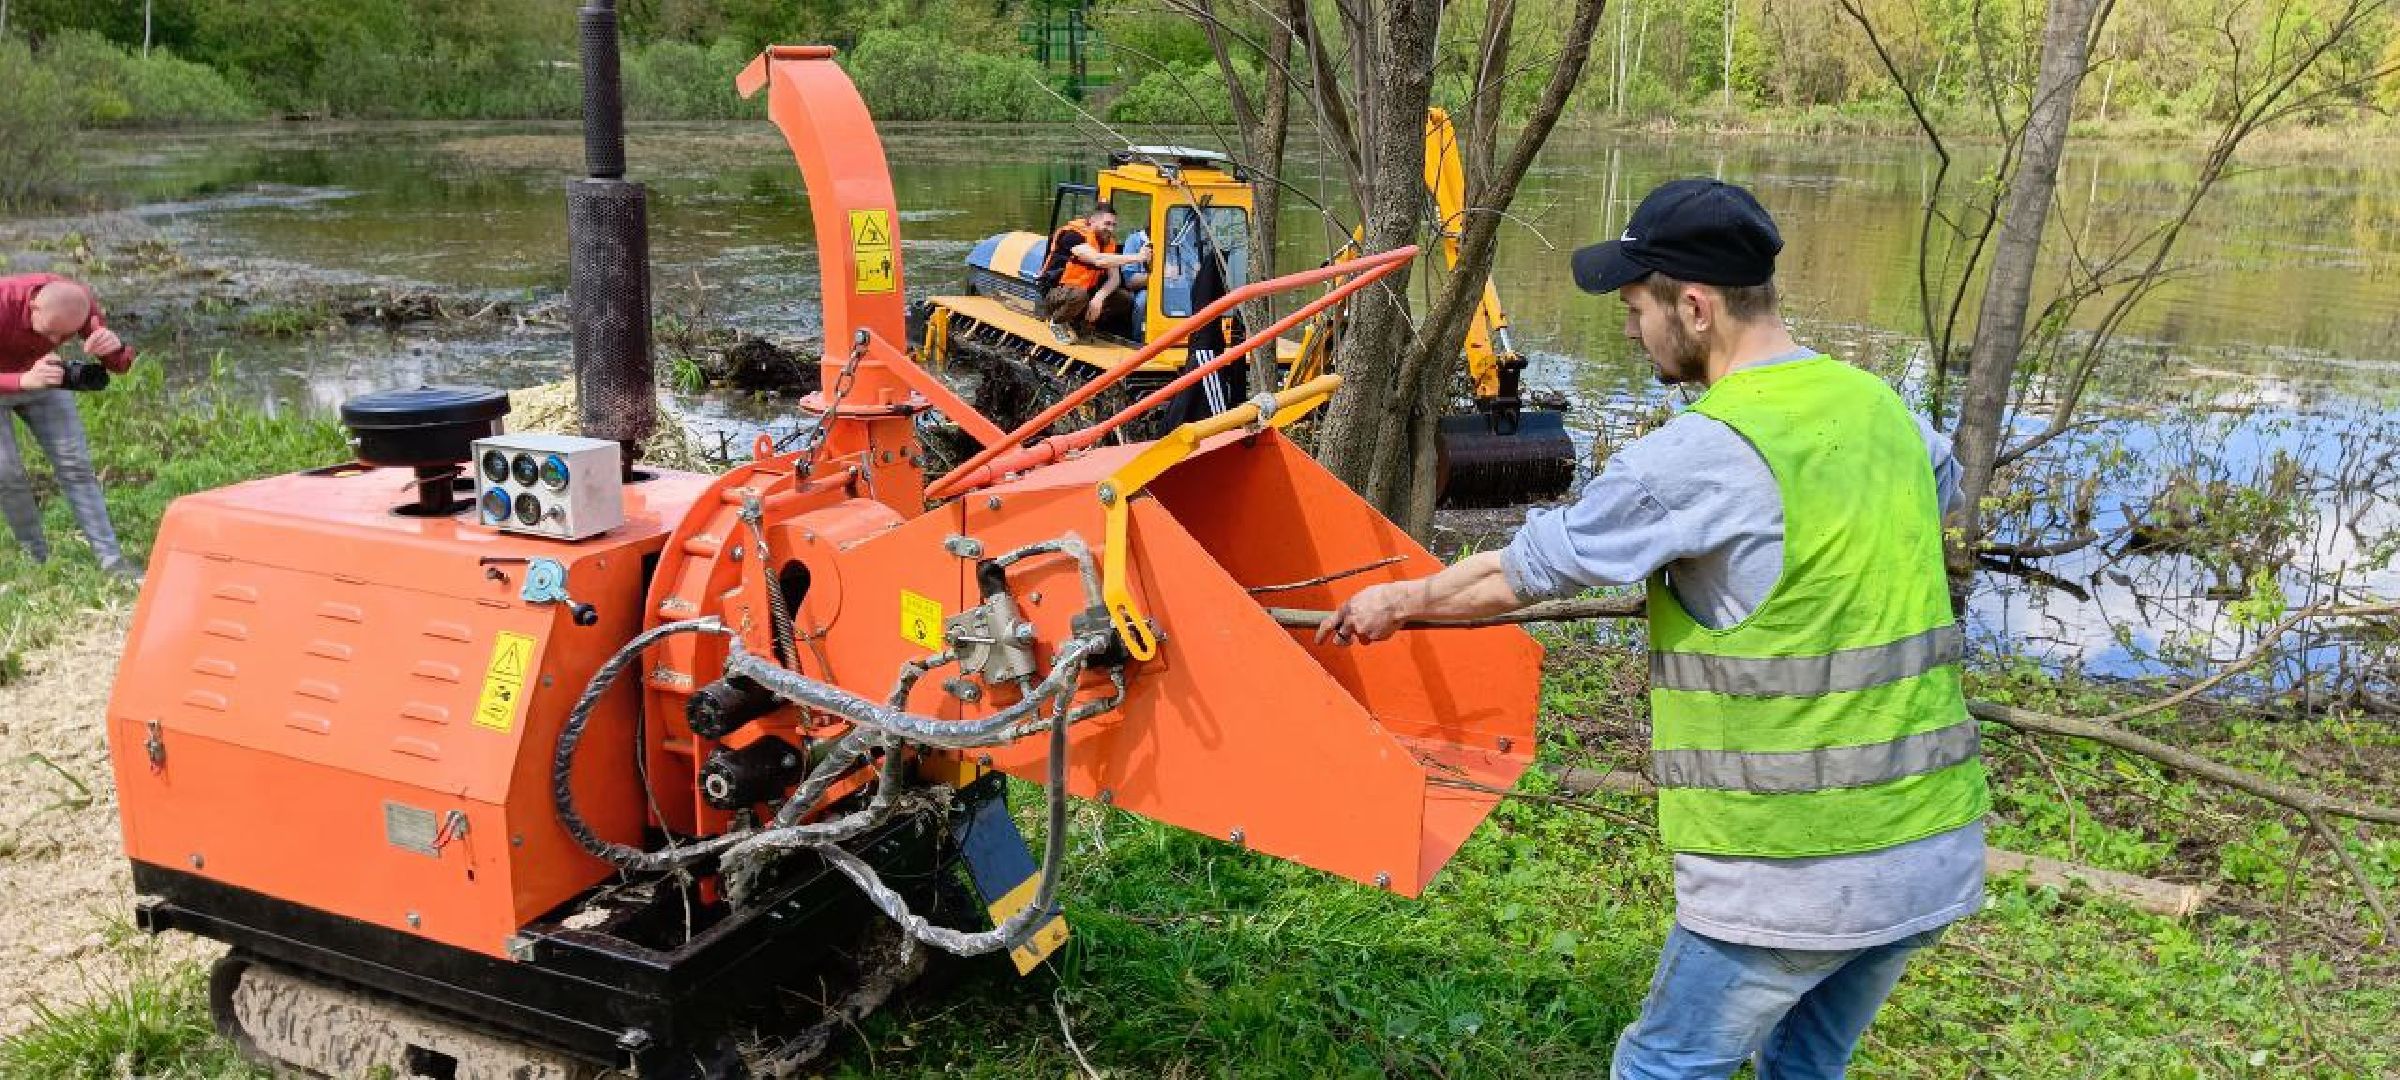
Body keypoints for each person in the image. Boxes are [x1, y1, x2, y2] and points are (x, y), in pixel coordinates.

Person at [1317, 179, 1988, 1079]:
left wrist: (1397, 603)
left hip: (1794, 871)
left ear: (1697, 308)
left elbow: (1528, 570)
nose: (1631, 329)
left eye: (1638, 306)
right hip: (1931, 848)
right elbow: (1925, 495)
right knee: (1806, 1064)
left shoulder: (1698, 454)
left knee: (1664, 1068)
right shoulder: (1881, 409)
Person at [1, 273, 138, 577]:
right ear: (33, 306)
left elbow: (120, 366)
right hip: (12, 379)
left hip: (45, 378)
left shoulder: (80, 303)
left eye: (61, 337)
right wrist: (22, 380)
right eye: (50, 333)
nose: (52, 342)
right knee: (7, 474)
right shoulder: (3, 301)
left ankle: (111, 560)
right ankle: (36, 558)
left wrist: (114, 349)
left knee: (75, 464)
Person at [1037, 202, 1145, 343]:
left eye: (1113, 225)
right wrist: (1138, 257)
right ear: (1092, 221)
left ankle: (1083, 323)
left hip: (1085, 293)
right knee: (1079, 295)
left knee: (1125, 299)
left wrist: (1098, 298)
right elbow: (1098, 260)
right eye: (1107, 224)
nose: (1110, 229)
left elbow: (1115, 278)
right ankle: (1056, 321)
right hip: (1056, 293)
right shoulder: (1073, 236)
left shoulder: (1108, 243)